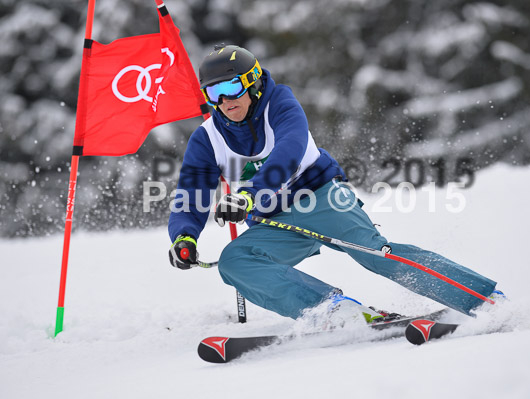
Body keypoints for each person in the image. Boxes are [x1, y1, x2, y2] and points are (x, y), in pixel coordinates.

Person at [168, 44, 497, 324]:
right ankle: (332, 311)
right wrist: (184, 236)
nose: (225, 100)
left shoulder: (279, 103)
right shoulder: (207, 138)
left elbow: (289, 151)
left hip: (322, 196)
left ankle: (482, 299)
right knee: (235, 261)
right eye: (214, 92)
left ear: (252, 83)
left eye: (231, 88)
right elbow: (191, 193)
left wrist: (250, 194)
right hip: (274, 221)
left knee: (374, 253)